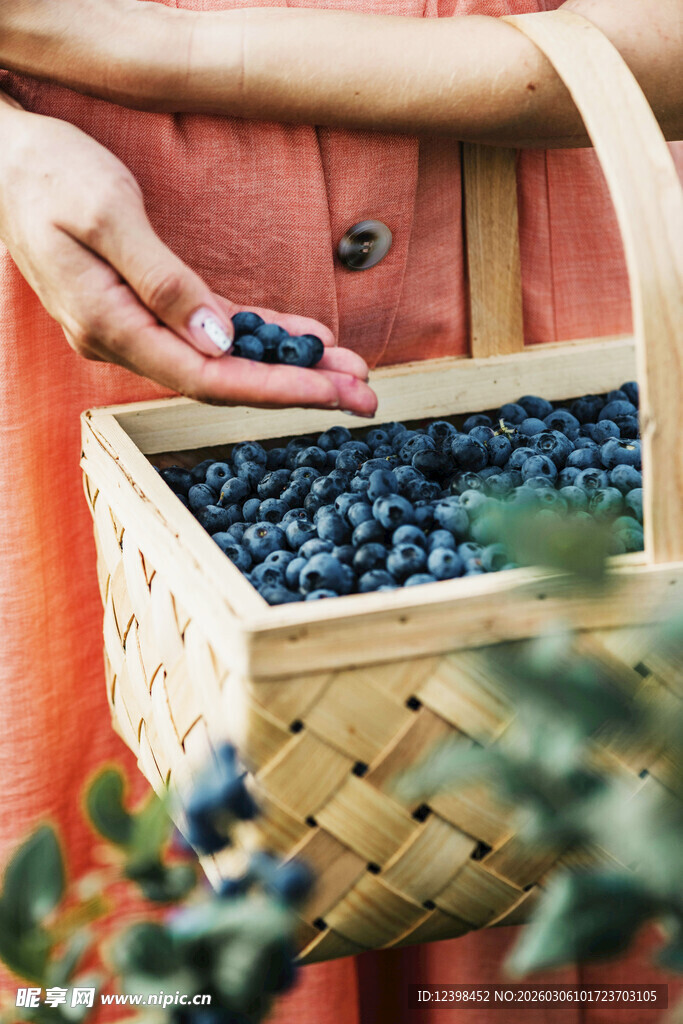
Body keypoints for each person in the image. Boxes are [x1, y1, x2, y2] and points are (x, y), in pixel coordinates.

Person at [0, 0, 681, 1020]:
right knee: (161, 829)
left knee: (517, 839)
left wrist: (147, 49)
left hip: (550, 243)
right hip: (101, 272)